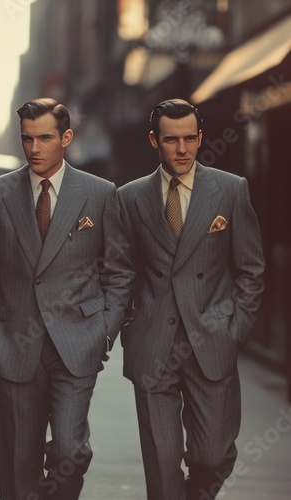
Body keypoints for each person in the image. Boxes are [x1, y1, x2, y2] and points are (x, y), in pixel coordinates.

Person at [0, 97, 133, 500]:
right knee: (19, 465)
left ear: (66, 138)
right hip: (13, 343)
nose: (35, 148)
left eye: (45, 138)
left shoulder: (100, 193)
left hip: (77, 343)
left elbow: (119, 270)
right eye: (27, 139)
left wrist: (105, 330)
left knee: (71, 451)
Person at [117, 98, 265, 500]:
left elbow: (251, 268)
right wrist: (129, 329)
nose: (181, 149)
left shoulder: (231, 190)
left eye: (189, 139)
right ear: (154, 140)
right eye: (171, 140)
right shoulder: (129, 199)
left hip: (211, 340)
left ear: (200, 138)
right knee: (163, 469)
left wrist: (236, 330)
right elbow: (120, 273)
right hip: (153, 346)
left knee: (213, 455)